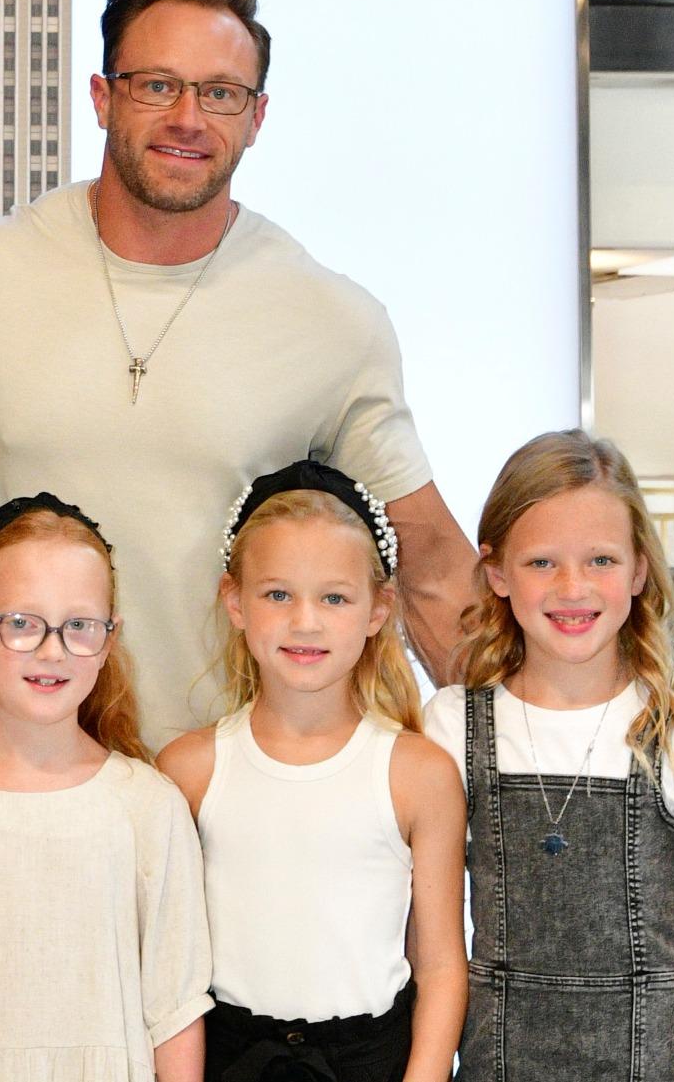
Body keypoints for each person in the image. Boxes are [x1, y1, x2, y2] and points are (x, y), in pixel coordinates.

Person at [0, 0, 478, 744]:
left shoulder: (330, 318)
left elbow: (426, 563)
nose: (188, 116)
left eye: (219, 93)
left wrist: (552, 739)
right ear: (101, 96)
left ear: (255, 118)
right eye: (156, 85)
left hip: (240, 790)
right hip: (32, 770)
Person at [422, 430, 674, 1082]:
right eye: (541, 562)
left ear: (636, 569)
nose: (571, 587)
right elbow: (433, 951)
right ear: (495, 571)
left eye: (599, 560)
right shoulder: (450, 725)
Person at [157, 460, 467, 1082]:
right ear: (234, 601)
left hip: (373, 1062)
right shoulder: (188, 770)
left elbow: (438, 965)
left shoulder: (419, 774)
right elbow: (169, 970)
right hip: (229, 1060)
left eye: (334, 597)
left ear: (378, 609)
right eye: (278, 594)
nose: (305, 621)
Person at [0, 494, 212, 1082]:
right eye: (20, 623)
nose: (52, 650)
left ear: (109, 640)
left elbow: (175, 1013)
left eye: (79, 626)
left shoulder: (149, 807)